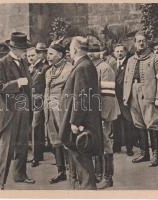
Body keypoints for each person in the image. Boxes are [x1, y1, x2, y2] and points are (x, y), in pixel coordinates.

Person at [59, 36, 102, 190]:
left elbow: (82, 96)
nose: (69, 52)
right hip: (82, 121)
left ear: (75, 49)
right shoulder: (85, 65)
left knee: (83, 164)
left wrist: (75, 122)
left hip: (80, 124)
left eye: (70, 49)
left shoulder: (83, 66)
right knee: (80, 162)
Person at [0, 32, 35, 190]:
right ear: (15, 48)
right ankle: (0, 182)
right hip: (9, 112)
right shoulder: (2, 63)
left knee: (22, 145)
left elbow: (29, 87)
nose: (25, 52)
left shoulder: (24, 63)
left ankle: (20, 175)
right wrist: (17, 83)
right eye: (23, 49)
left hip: (23, 110)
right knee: (7, 148)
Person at [123, 31, 158, 167]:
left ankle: (156, 156)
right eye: (138, 41)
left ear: (147, 42)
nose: (141, 43)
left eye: (143, 41)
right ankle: (144, 153)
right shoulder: (130, 60)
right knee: (139, 123)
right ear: (135, 43)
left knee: (151, 123)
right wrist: (126, 96)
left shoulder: (155, 59)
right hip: (133, 93)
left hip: (148, 93)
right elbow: (126, 80)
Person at [87, 42, 120, 189]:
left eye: (94, 51)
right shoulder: (91, 67)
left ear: (100, 53)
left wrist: (103, 116)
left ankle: (108, 177)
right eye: (89, 51)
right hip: (94, 113)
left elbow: (107, 95)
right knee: (96, 142)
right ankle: (98, 174)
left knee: (106, 143)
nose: (91, 54)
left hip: (104, 112)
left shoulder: (105, 68)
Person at [44, 41, 74, 184]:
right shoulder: (49, 71)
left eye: (51, 54)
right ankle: (61, 171)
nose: (47, 56)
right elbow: (47, 91)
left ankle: (73, 172)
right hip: (50, 110)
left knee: (67, 139)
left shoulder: (69, 69)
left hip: (63, 110)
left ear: (61, 55)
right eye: (47, 54)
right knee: (55, 140)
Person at [28, 43, 49, 167]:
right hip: (29, 100)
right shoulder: (28, 68)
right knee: (35, 127)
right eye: (28, 56)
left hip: (40, 99)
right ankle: (38, 153)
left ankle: (36, 156)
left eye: (33, 55)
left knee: (36, 126)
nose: (30, 58)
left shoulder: (44, 68)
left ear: (38, 55)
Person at [112, 44, 135, 156]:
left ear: (125, 52)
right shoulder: (112, 65)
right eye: (117, 51)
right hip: (114, 99)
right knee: (115, 123)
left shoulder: (128, 64)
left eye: (121, 51)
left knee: (127, 124)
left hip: (125, 98)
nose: (119, 53)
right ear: (114, 53)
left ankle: (129, 148)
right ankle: (116, 146)